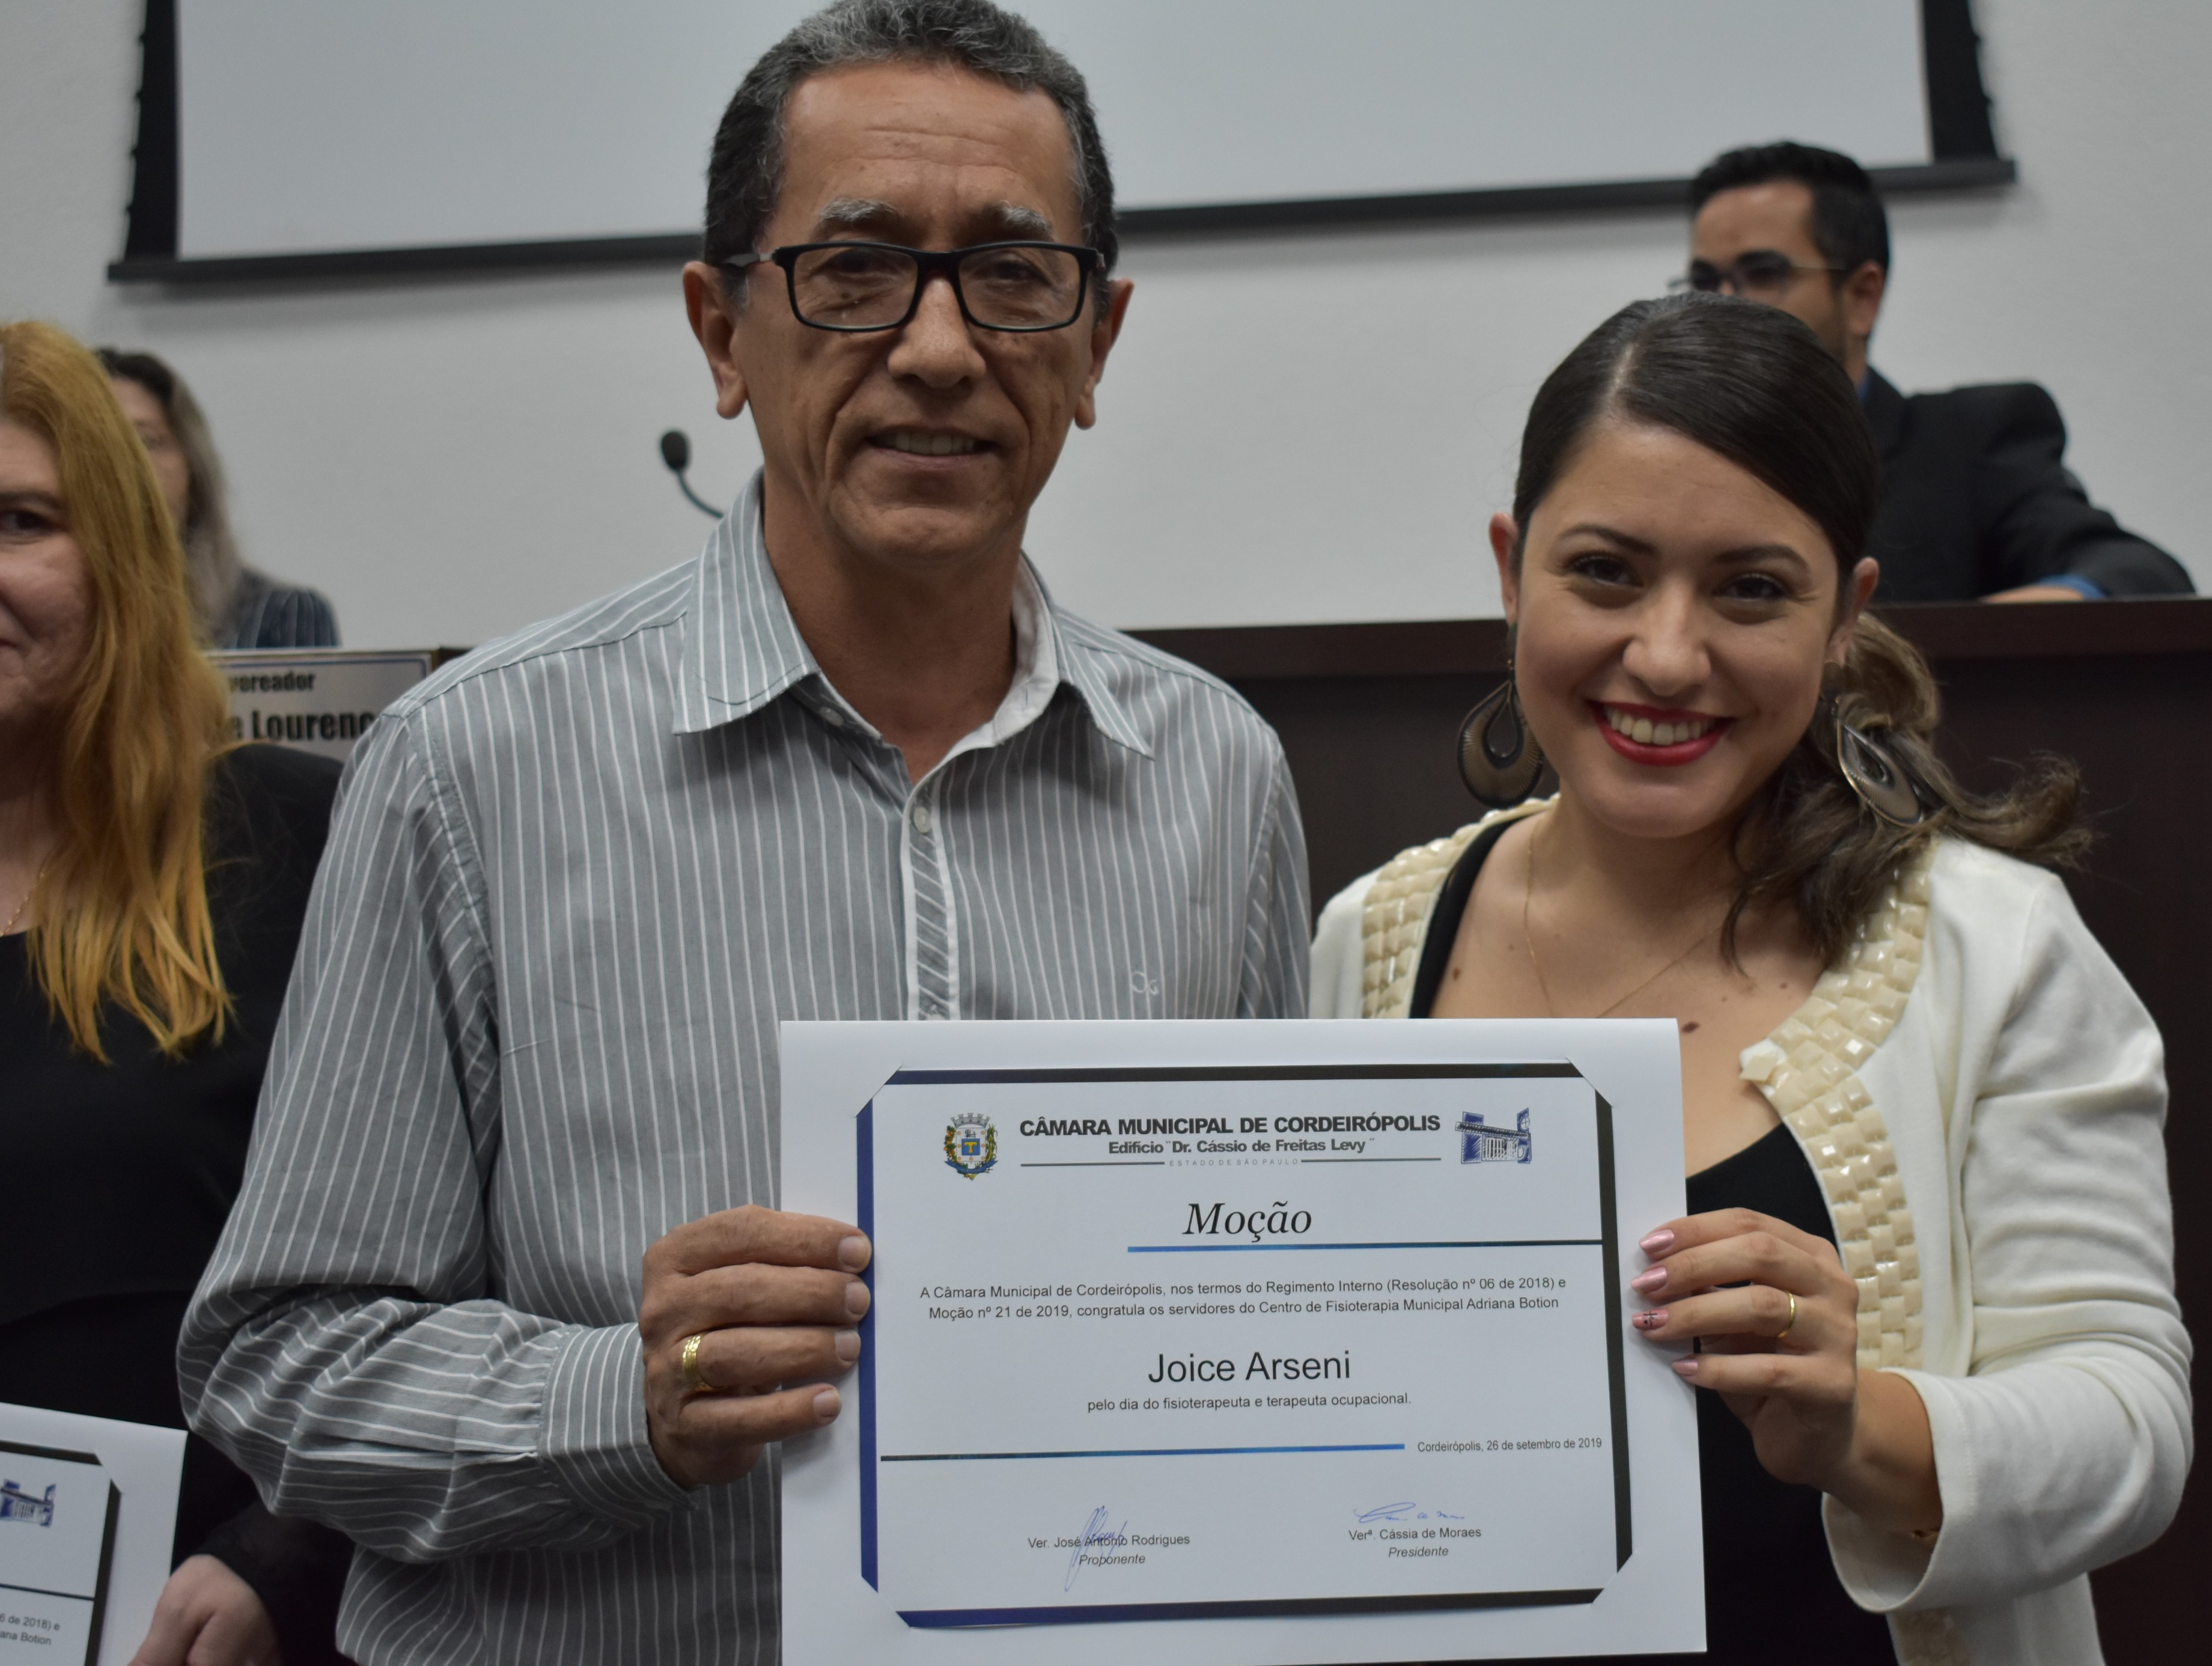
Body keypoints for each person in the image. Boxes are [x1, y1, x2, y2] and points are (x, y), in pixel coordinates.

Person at [178, 4, 1307, 1661]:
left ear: (1096, 343)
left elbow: (1263, 1305)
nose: (939, 347)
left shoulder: (1216, 775)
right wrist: (617, 1401)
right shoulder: (468, 767)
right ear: (722, 332)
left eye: (1013, 275)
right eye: (855, 270)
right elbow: (280, 1362)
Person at [1312, 294, 2190, 1664]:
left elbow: (2133, 1428)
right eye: (1604, 572)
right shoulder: (1372, 935)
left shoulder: (1994, 947)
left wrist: (1859, 1424)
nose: (1666, 655)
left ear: (1847, 616)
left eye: (1752, 590)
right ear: (1510, 571)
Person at [0, 320, 351, 1664]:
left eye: (22, 521)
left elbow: (460, 1270)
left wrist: (285, 1554)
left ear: (127, 553)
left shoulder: (298, 842)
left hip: (213, 1624)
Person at [1683, 141, 2194, 603]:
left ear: (1862, 297)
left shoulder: (1966, 445)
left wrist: (2009, 626)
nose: (1724, 305)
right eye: (1705, 282)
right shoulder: (1670, 453)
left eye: (1764, 275)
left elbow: (2136, 571)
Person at [94, 347, 340, 648]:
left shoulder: (283, 615)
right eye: (102, 444)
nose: (126, 466)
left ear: (192, 466)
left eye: (146, 441)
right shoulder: (54, 620)